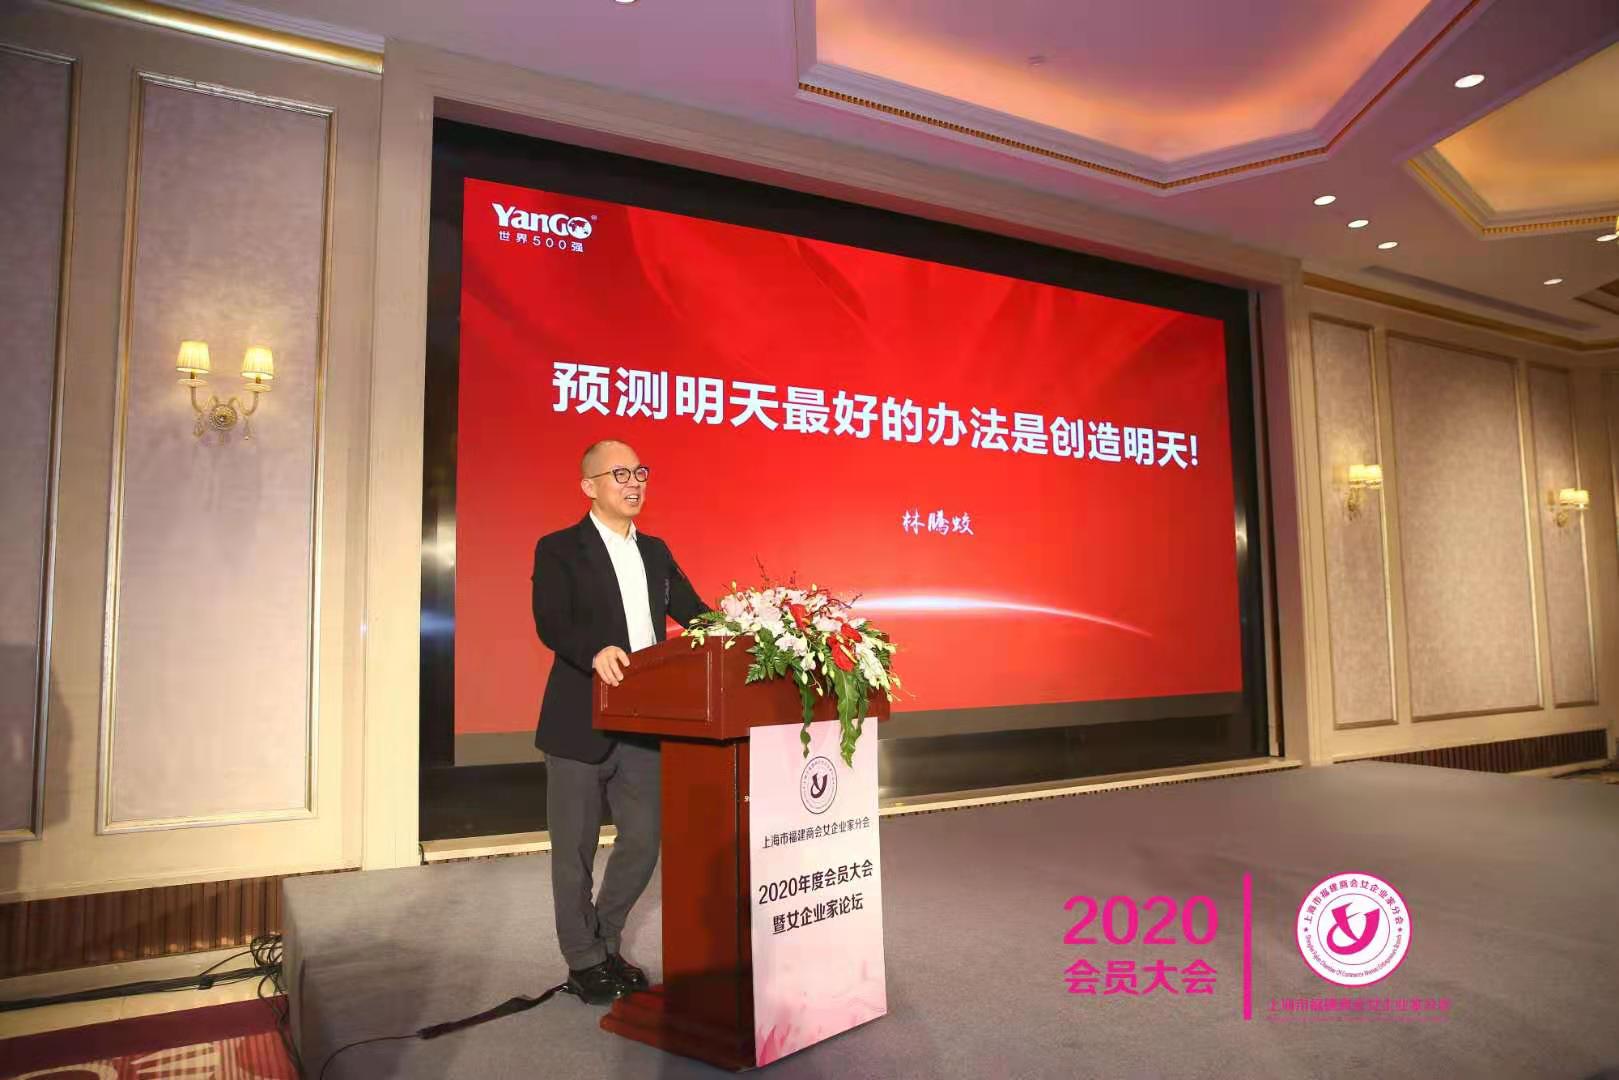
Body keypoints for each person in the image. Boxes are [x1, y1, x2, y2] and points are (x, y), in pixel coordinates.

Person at [530, 439, 709, 1005]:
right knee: (574, 852)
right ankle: (582, 960)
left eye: (640, 473)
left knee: (645, 840)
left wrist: (749, 630)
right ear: (589, 486)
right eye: (620, 474)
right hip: (577, 722)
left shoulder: (655, 551)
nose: (634, 483)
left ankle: (605, 941)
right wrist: (595, 649)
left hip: (643, 722)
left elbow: (695, 613)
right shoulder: (559, 548)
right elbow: (551, 621)